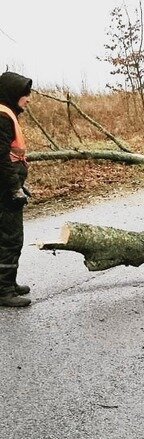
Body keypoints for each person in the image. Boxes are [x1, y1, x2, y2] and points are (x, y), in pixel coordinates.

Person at [0, 71, 33, 308]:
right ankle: (3, 290)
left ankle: (8, 284)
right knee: (10, 238)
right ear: (14, 93)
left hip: (8, 184)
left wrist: (21, 184)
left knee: (9, 237)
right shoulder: (2, 116)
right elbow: (1, 158)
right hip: (4, 189)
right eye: (25, 93)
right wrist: (14, 189)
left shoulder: (7, 113)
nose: (29, 98)